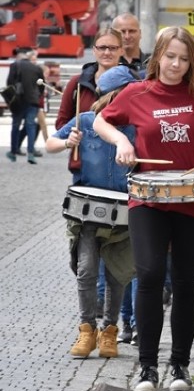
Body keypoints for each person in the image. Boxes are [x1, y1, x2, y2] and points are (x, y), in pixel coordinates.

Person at [94, 26, 194, 391]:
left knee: (185, 282)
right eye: (170, 56)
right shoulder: (135, 93)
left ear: (191, 60)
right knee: (149, 275)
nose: (176, 64)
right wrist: (121, 139)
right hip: (148, 200)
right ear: (157, 56)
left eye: (183, 57)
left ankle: (180, 364)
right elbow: (100, 120)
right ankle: (147, 368)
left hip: (193, 199)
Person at [46, 66, 139, 359]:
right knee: (86, 270)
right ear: (115, 95)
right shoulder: (85, 121)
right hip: (88, 211)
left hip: (124, 210)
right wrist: (66, 142)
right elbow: (49, 144)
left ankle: (109, 332)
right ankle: (86, 330)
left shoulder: (138, 125)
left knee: (117, 273)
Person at [5, 47, 44, 164]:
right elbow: (42, 85)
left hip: (18, 101)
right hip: (33, 101)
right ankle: (31, 154)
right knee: (30, 125)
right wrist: (37, 96)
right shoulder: (37, 68)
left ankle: (13, 152)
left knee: (16, 125)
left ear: (19, 57)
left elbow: (9, 83)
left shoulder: (15, 65)